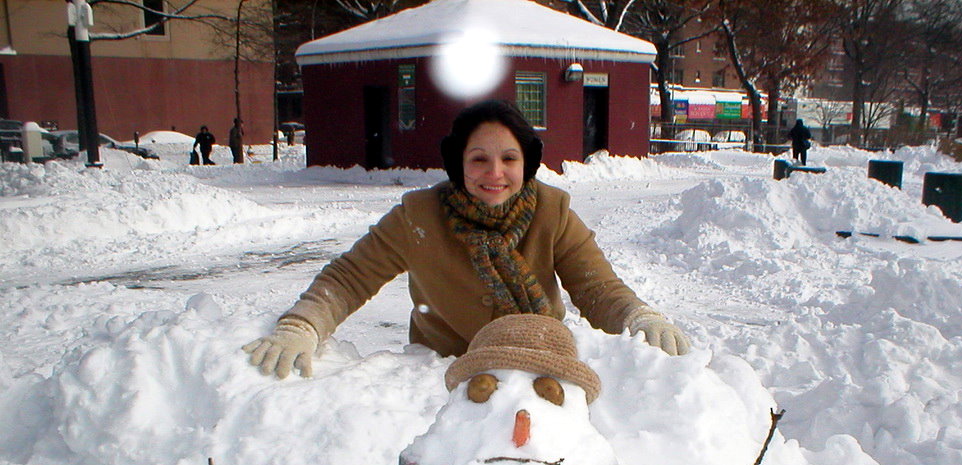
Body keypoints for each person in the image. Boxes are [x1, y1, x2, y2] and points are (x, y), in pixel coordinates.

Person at [243, 99, 691, 379]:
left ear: (526, 164)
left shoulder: (552, 212)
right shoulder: (418, 217)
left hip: (541, 364)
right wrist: (303, 325)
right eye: (479, 159)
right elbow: (349, 278)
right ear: (459, 163)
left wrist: (638, 316)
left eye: (509, 158)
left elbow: (597, 288)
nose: (495, 173)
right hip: (442, 378)